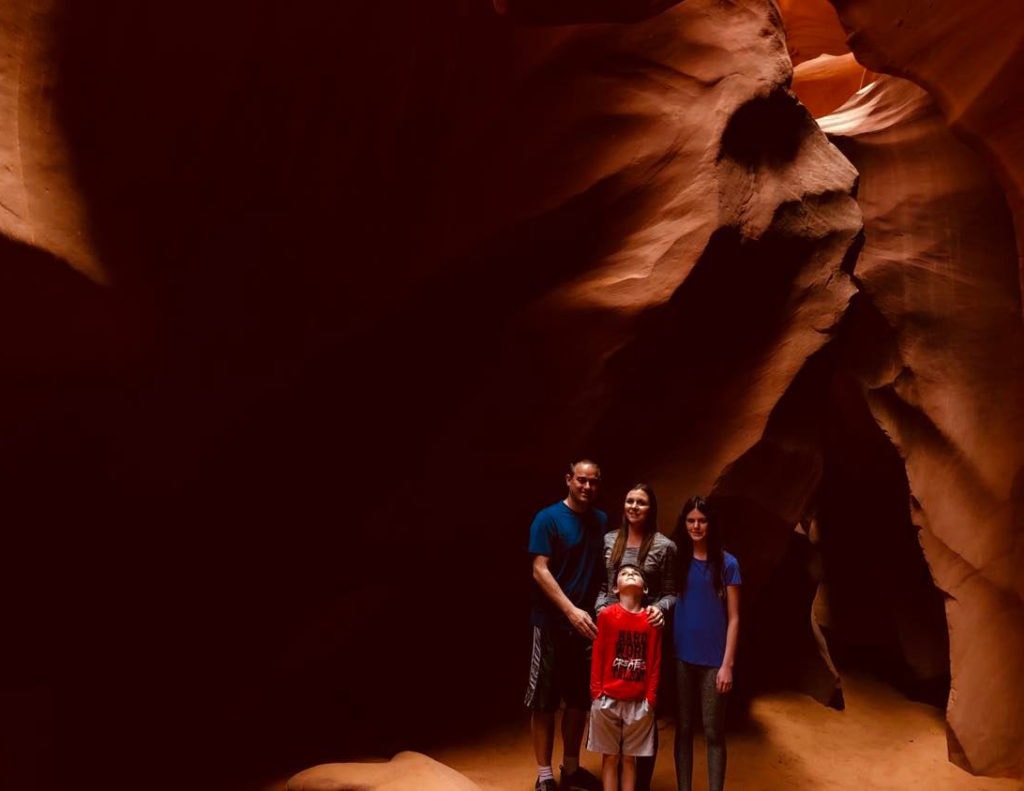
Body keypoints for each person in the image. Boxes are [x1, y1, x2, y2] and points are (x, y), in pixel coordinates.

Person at [526, 459, 608, 791]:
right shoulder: (547, 519)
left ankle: (571, 768)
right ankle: (545, 776)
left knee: (578, 702)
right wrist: (571, 610)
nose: (587, 487)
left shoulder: (600, 520)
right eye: (581, 480)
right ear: (568, 480)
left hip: (585, 627)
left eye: (593, 482)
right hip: (550, 624)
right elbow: (539, 569)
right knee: (544, 701)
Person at [595, 483, 676, 791]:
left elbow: (671, 593)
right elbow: (604, 589)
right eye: (629, 500)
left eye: (641, 502)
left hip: (644, 639)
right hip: (611, 636)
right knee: (611, 710)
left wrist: (659, 609)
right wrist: (602, 613)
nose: (634, 507)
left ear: (651, 508)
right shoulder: (609, 540)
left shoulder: (664, 546)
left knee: (642, 715)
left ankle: (639, 785)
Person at [672, 495, 740, 791]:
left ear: (711, 524)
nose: (696, 526)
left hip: (714, 661)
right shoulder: (677, 559)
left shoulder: (727, 563)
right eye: (691, 520)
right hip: (682, 658)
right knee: (684, 729)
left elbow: (735, 617)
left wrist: (727, 665)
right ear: (684, 523)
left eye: (702, 520)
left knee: (713, 732)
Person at [588, 563, 663, 791]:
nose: (630, 575)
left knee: (630, 759)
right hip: (607, 700)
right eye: (624, 574)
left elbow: (655, 661)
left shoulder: (652, 622)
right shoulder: (606, 616)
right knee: (610, 757)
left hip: (639, 703)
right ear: (615, 589)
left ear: (646, 589)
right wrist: (596, 693)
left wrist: (650, 698)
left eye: (635, 574)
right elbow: (598, 655)